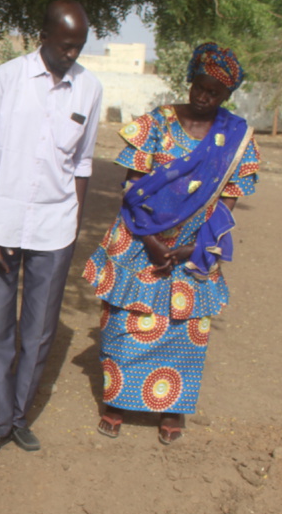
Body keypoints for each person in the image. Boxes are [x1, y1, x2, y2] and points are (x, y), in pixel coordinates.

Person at [84, 43, 259, 444]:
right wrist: (150, 241)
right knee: (127, 321)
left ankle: (172, 408)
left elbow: (226, 204)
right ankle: (117, 402)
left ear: (227, 96)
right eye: (199, 87)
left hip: (194, 247)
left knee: (184, 328)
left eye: (214, 93)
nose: (203, 97)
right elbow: (130, 188)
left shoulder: (236, 137)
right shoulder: (156, 125)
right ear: (190, 81)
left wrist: (191, 247)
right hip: (137, 240)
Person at [0, 1, 102, 459]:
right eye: (65, 45)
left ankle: (19, 418)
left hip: (55, 227)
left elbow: (83, 164)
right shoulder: (8, 77)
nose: (71, 54)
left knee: (40, 330)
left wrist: (74, 224)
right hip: (1, 225)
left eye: (79, 47)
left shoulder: (90, 88)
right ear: (43, 35)